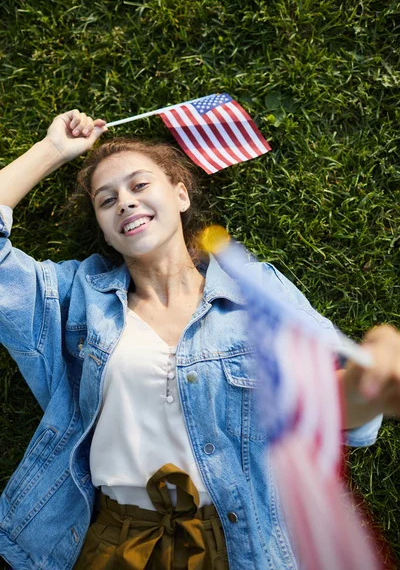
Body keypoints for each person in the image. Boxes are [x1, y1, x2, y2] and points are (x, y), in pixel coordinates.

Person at [0, 109, 399, 570]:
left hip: (245, 544)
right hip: (117, 545)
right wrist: (53, 149)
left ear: (181, 194)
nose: (125, 202)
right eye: (106, 201)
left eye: (140, 185)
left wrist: (368, 388)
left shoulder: (255, 291)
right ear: (105, 229)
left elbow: (326, 408)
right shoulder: (75, 300)